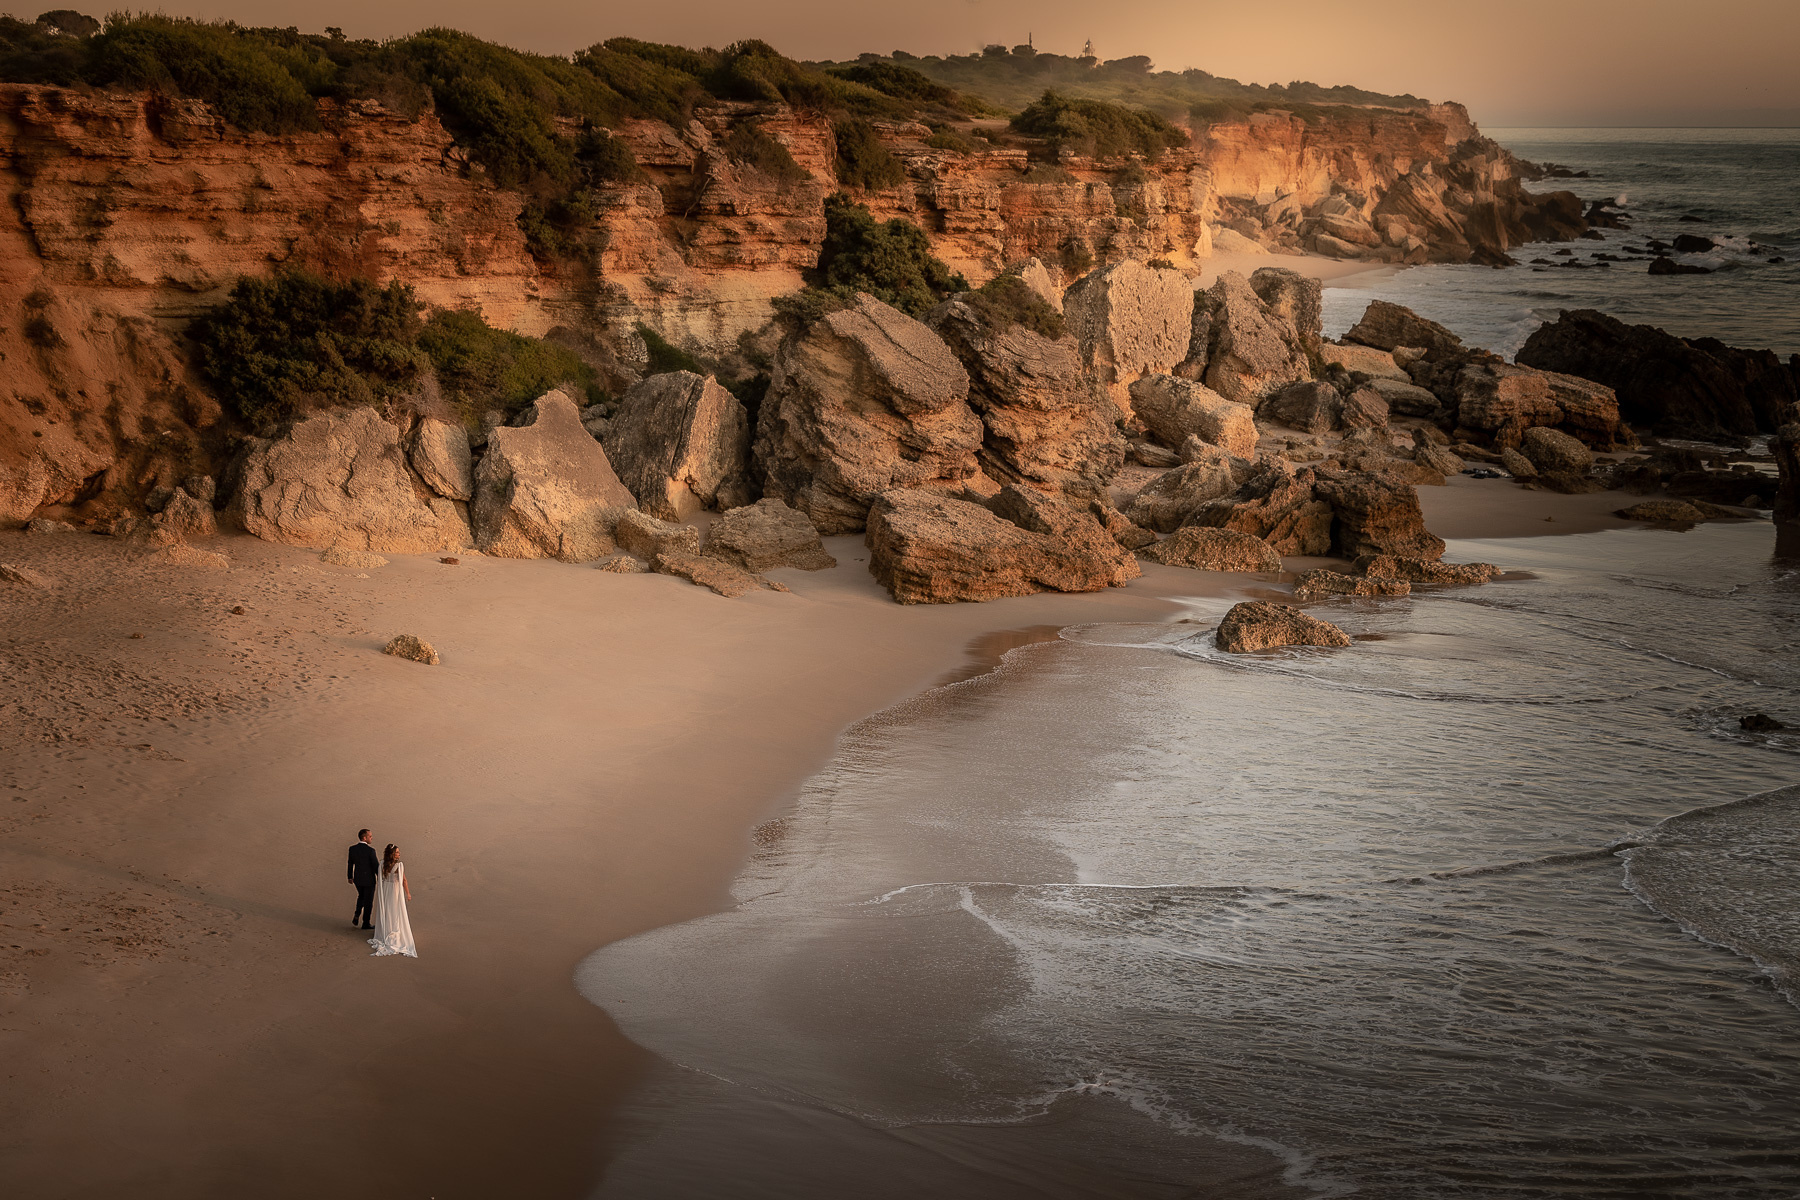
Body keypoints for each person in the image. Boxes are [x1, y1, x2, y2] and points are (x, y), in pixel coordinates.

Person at [369, 842, 417, 958]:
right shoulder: (398, 866)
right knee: (395, 910)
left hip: (385, 890)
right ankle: (394, 931)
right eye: (397, 853)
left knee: (387, 910)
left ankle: (385, 930)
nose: (399, 854)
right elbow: (404, 880)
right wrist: (408, 893)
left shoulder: (382, 864)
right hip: (394, 891)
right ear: (392, 854)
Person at [347, 829, 378, 931]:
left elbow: (350, 863)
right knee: (368, 901)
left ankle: (357, 913)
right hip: (369, 880)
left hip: (358, 879)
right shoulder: (370, 851)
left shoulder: (352, 849)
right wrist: (381, 877)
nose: (371, 838)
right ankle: (366, 923)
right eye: (370, 836)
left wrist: (350, 876)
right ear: (364, 838)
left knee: (361, 896)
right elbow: (375, 866)